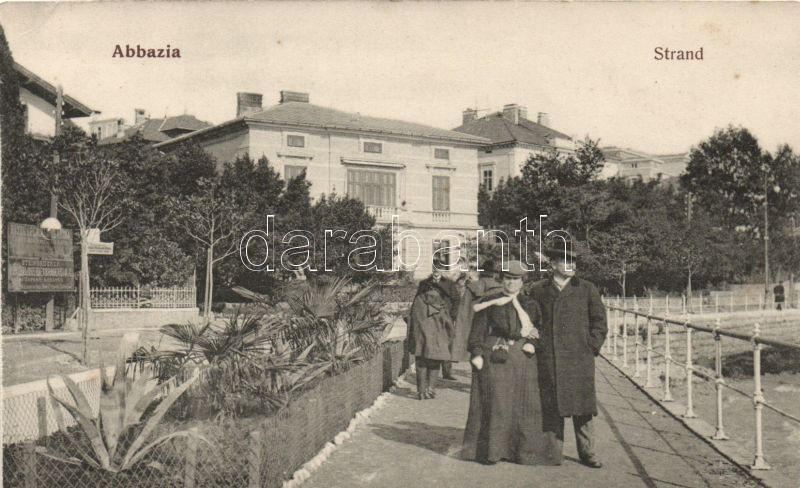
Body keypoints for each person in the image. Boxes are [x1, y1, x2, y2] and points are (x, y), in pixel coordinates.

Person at [462, 260, 560, 466]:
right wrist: (477, 352)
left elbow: (539, 329)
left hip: (524, 360)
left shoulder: (530, 304)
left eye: (515, 279)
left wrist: (533, 342)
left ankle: (520, 452)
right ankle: (494, 451)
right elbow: (477, 330)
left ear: (522, 281)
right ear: (502, 280)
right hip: (497, 357)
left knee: (523, 404)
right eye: (507, 278)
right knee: (498, 403)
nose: (511, 283)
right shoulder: (489, 302)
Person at [528, 247, 608, 469]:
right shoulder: (539, 289)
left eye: (573, 261)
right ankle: (553, 452)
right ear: (553, 264)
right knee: (552, 406)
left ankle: (588, 452)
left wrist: (591, 346)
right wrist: (536, 341)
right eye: (566, 261)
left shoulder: (586, 288)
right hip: (550, 358)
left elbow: (600, 322)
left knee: (583, 408)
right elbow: (531, 320)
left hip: (579, 358)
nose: (572, 265)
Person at [407, 261, 456, 400]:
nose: (436, 271)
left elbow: (412, 316)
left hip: (427, 332)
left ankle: (423, 390)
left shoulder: (447, 284)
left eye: (439, 268)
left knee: (423, 360)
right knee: (433, 360)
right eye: (435, 268)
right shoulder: (427, 287)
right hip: (436, 330)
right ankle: (428, 389)